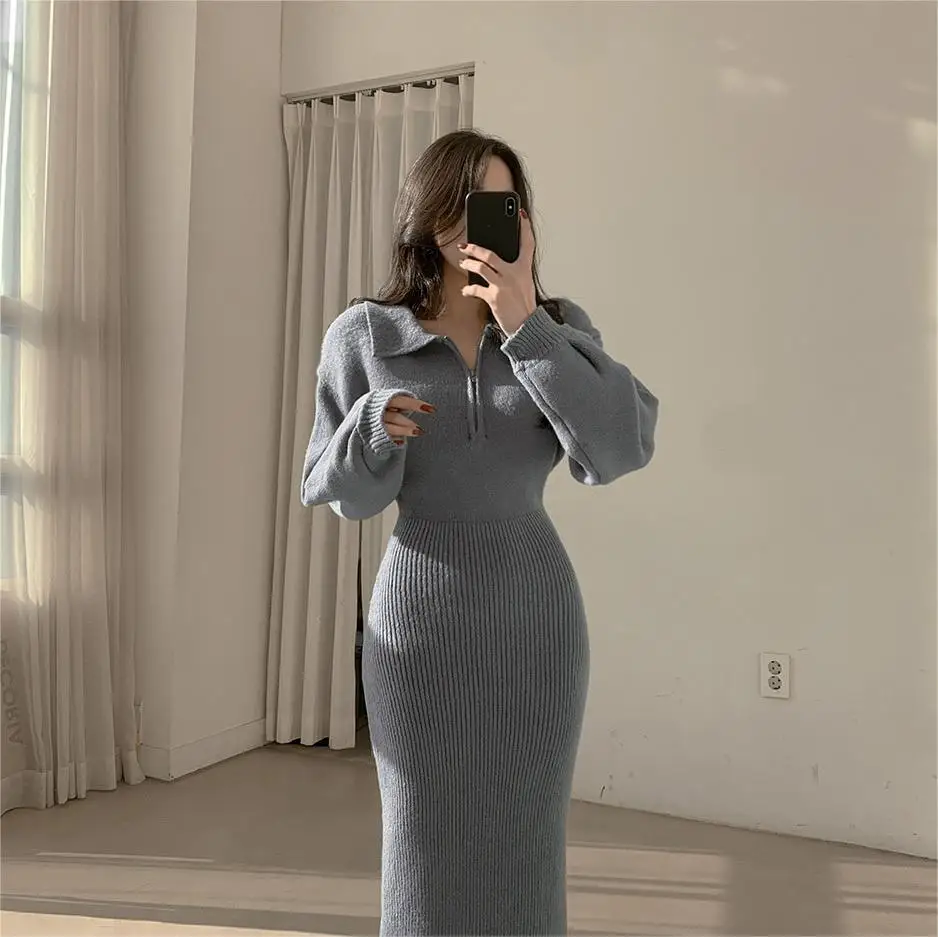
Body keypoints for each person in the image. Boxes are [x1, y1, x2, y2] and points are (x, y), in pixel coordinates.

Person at [299, 129, 658, 936]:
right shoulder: (365, 334)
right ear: (431, 217)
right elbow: (341, 493)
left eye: (505, 205)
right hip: (417, 629)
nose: (487, 223)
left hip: (537, 624)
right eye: (469, 204)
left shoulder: (557, 326)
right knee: (422, 844)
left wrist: (525, 323)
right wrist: (371, 427)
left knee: (527, 844)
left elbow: (620, 447)